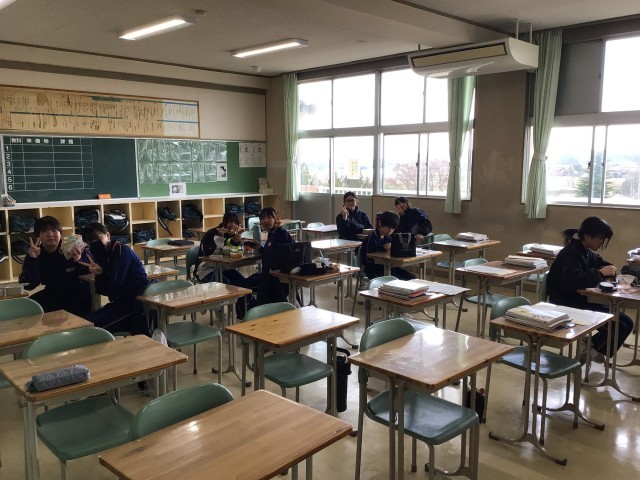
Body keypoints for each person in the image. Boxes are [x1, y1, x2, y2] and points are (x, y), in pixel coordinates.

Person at [547, 216, 633, 363]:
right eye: (600, 238)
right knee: (617, 325)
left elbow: (599, 262)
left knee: (627, 322)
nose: (601, 243)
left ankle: (591, 347)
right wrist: (600, 273)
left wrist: (609, 267)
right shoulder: (571, 252)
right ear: (587, 236)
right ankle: (591, 349)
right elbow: (575, 282)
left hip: (580, 301)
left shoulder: (585, 250)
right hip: (566, 304)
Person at [80, 223, 150, 335]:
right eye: (90, 242)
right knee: (83, 323)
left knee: (90, 330)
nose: (95, 244)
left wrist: (103, 271)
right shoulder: (102, 254)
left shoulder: (122, 251)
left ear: (108, 235)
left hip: (133, 307)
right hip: (118, 304)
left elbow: (115, 287)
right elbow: (103, 290)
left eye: (97, 238)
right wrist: (100, 273)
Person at [19, 216, 92, 317]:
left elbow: (90, 274)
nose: (50, 234)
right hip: (52, 293)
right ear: (38, 235)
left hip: (77, 295)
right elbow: (29, 285)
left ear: (60, 233)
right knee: (25, 308)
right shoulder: (35, 253)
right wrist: (33, 260)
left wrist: (79, 260)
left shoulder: (74, 248)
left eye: (54, 230)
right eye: (44, 231)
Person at [193, 212, 259, 318]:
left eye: (235, 222)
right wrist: (220, 237)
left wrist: (236, 241)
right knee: (225, 285)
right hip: (205, 269)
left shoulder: (232, 234)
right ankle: (215, 309)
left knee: (241, 283)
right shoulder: (212, 233)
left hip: (224, 268)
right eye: (229, 222)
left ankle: (242, 314)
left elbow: (230, 250)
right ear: (224, 222)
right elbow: (208, 253)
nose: (232, 225)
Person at [243, 207, 294, 306]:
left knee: (240, 286)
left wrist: (279, 228)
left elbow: (286, 251)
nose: (265, 221)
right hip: (267, 276)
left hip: (275, 279)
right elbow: (271, 254)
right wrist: (260, 248)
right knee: (240, 284)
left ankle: (249, 309)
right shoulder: (272, 234)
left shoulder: (280, 233)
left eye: (269, 217)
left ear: (276, 219)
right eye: (262, 218)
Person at [361, 210, 415, 281]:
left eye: (393, 228)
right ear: (380, 223)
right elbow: (367, 260)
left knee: (412, 278)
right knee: (399, 280)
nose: (390, 230)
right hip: (374, 270)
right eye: (388, 227)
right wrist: (383, 248)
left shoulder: (388, 237)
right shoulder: (371, 239)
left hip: (388, 267)